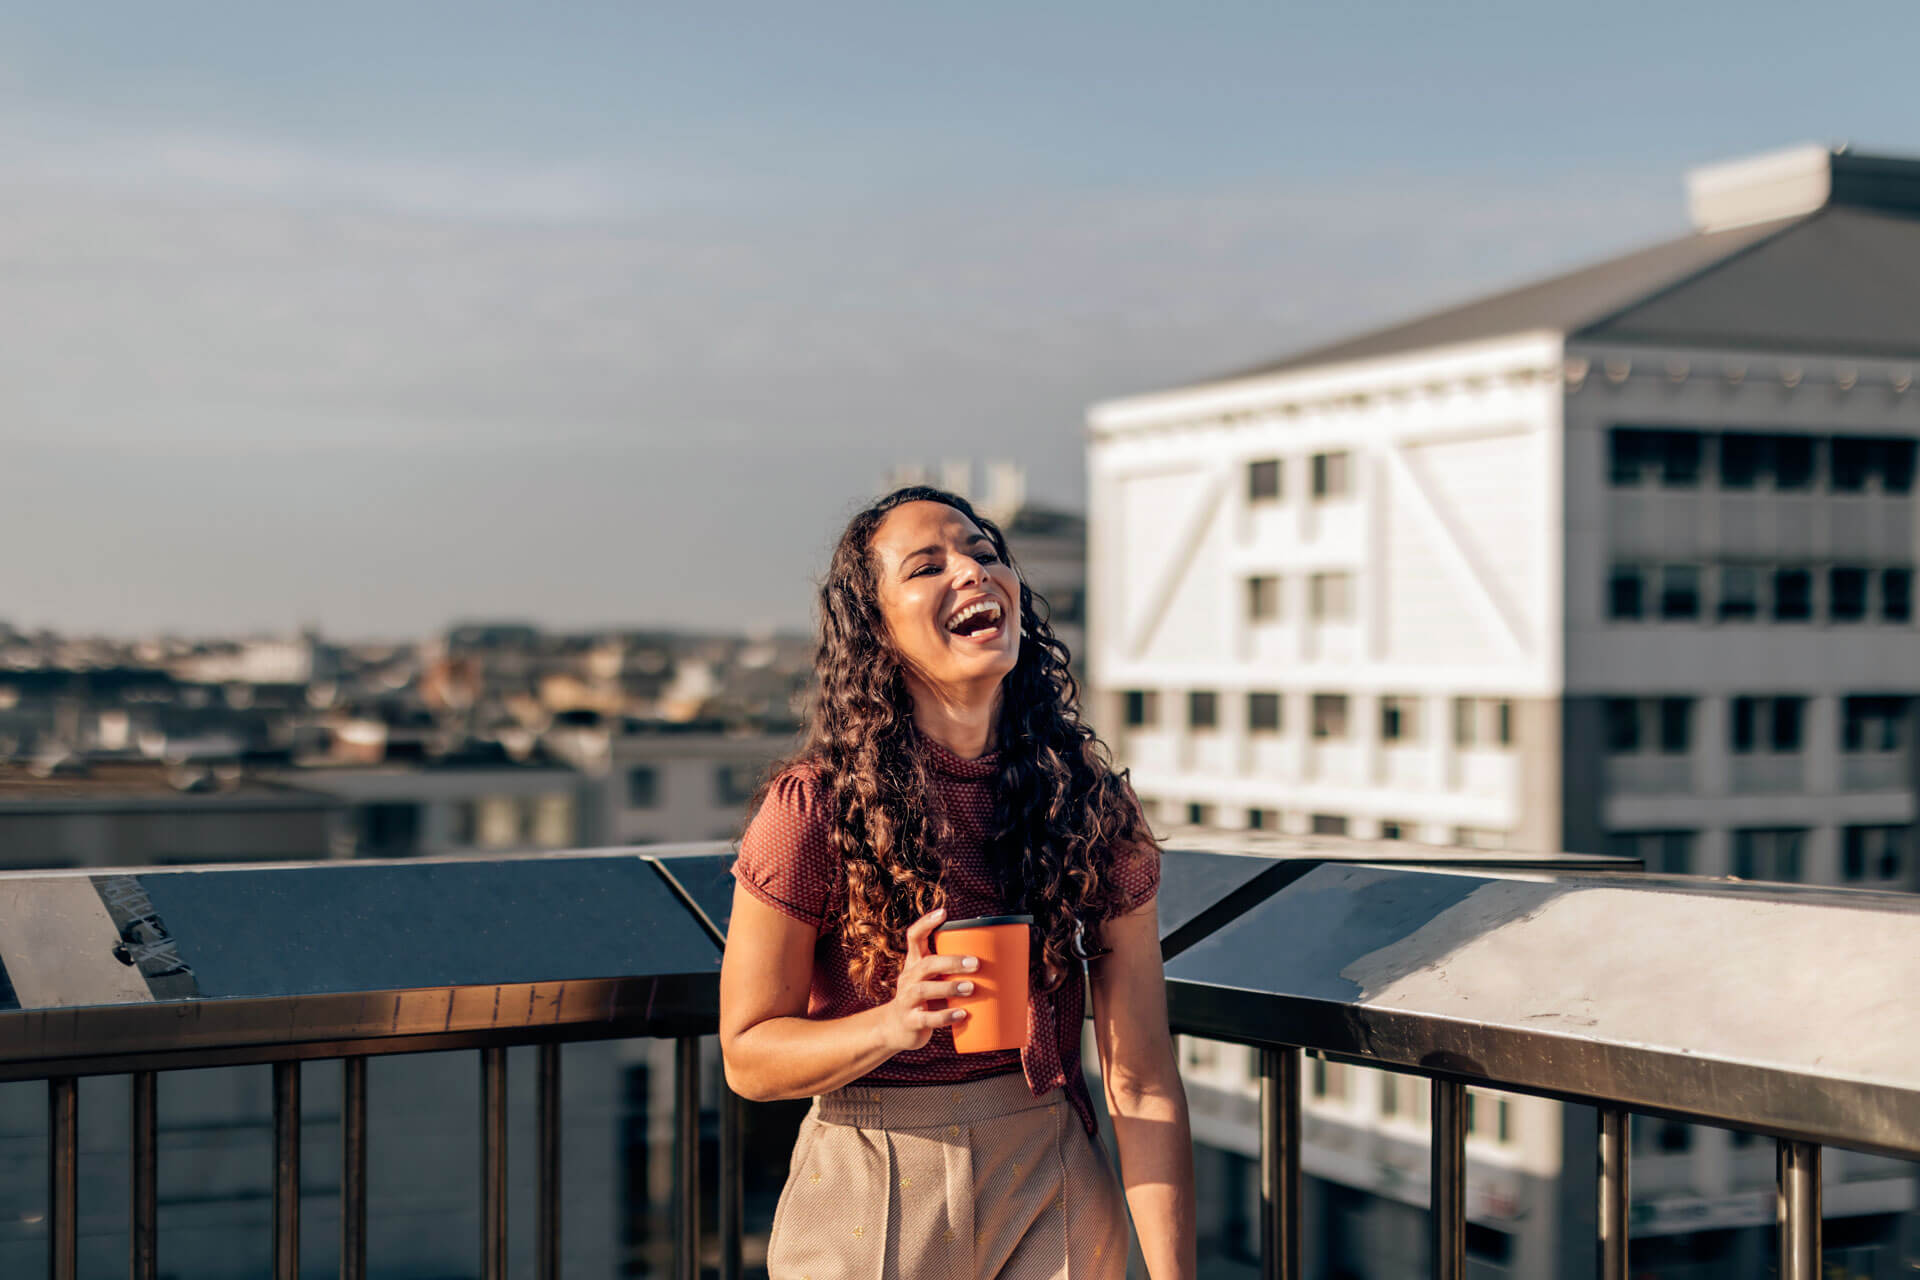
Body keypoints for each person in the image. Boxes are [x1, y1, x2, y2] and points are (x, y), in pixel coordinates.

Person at [719, 486, 1196, 1280]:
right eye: (928, 565)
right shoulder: (814, 810)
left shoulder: (1092, 807)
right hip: (872, 1180)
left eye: (984, 552)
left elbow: (1141, 1077)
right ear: (877, 625)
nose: (973, 572)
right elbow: (747, 1057)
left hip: (1050, 1174)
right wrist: (893, 1024)